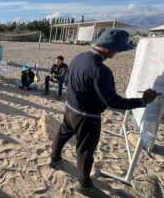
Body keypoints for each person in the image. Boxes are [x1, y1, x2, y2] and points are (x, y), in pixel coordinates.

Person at [49, 29, 160, 196]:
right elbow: (113, 103)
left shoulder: (79, 57)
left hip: (70, 108)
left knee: (63, 134)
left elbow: (67, 82)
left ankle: (55, 158)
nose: (118, 53)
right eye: (118, 49)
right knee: (85, 151)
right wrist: (143, 101)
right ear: (109, 47)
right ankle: (84, 184)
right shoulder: (101, 70)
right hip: (88, 117)